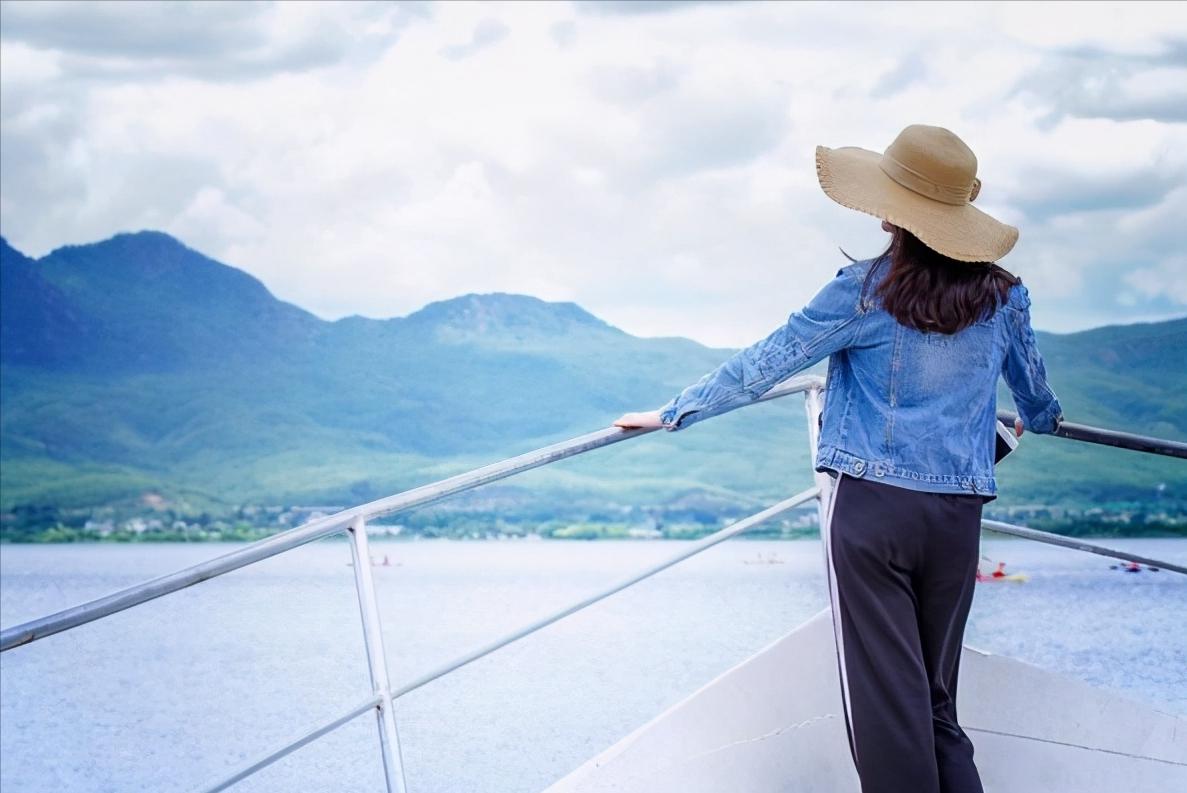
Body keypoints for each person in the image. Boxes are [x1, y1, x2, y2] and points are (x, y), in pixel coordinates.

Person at [612, 124, 1063, 793]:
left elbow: (766, 363)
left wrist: (673, 412)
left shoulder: (863, 290)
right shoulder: (1003, 296)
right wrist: (1041, 417)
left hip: (872, 513)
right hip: (956, 515)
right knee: (937, 701)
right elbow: (1034, 396)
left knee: (887, 708)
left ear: (896, 213)